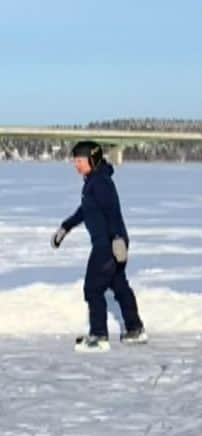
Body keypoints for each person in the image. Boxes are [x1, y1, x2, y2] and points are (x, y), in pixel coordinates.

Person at [52, 140, 145, 349]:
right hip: (111, 242)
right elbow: (85, 211)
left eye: (79, 160)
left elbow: (111, 211)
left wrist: (117, 239)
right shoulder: (93, 181)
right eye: (75, 160)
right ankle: (135, 329)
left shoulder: (101, 183)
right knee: (119, 285)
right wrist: (65, 228)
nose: (76, 165)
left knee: (93, 288)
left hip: (108, 244)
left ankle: (98, 336)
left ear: (92, 159)